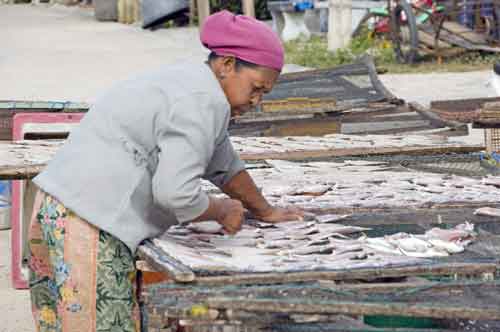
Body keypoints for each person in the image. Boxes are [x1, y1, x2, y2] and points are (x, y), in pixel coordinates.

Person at [27, 10, 303, 332]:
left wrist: (265, 210)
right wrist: (220, 209)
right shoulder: (203, 101)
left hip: (55, 207)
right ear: (227, 65)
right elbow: (176, 194)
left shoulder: (191, 82)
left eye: (264, 94)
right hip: (89, 225)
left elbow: (224, 165)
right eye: (256, 88)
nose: (256, 101)